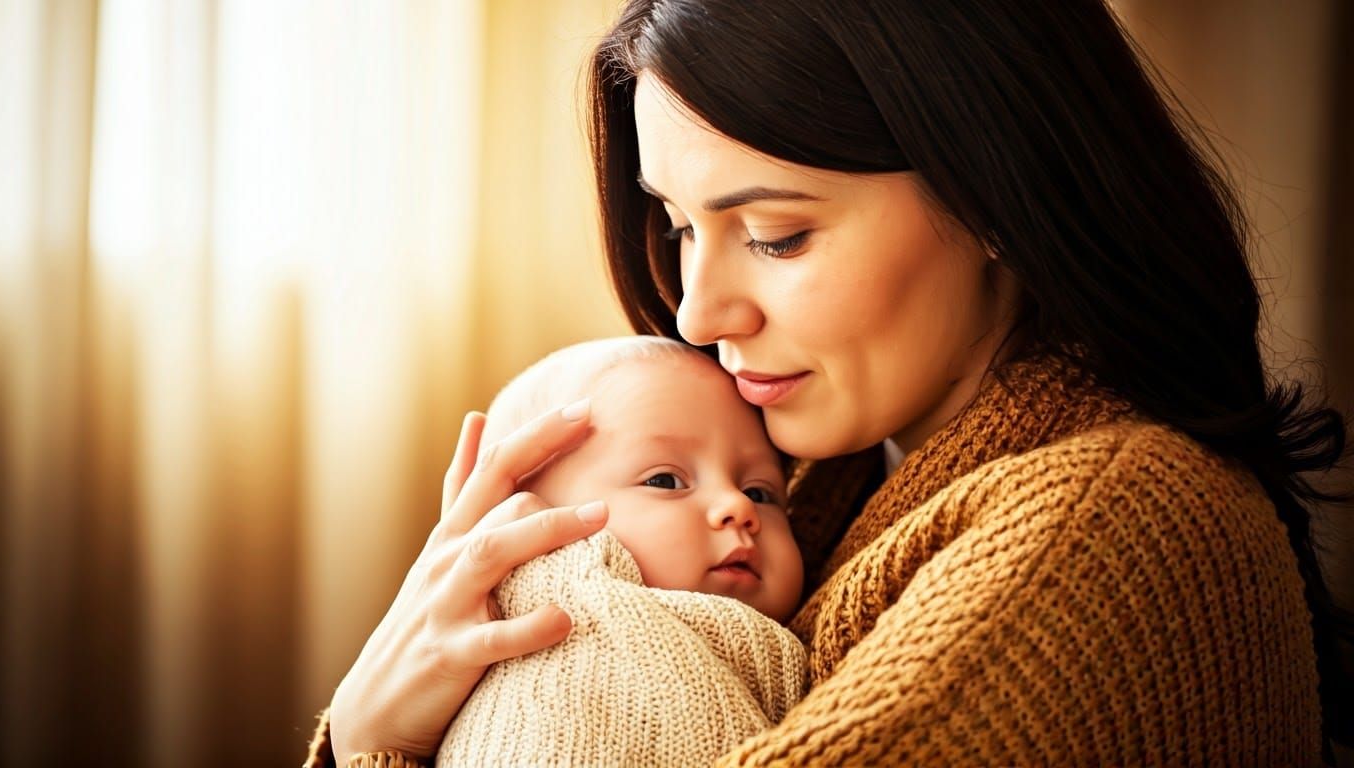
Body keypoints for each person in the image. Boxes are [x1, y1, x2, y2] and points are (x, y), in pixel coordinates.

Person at [306, 1, 1353, 765]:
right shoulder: (828, 485)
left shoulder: (1101, 526)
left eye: (775, 234)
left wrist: (372, 746)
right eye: (678, 225)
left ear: (992, 192)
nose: (695, 314)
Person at [436, 335, 807, 767]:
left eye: (760, 492)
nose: (738, 507)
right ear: (527, 524)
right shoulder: (562, 633)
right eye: (666, 481)